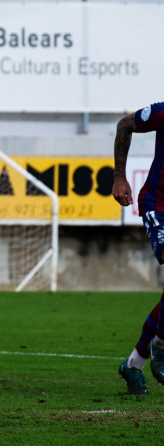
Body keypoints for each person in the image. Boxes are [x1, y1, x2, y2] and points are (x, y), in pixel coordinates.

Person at [112, 102, 164, 395]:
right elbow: (125, 124)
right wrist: (120, 176)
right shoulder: (163, 111)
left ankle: (133, 365)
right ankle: (160, 346)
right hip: (158, 204)